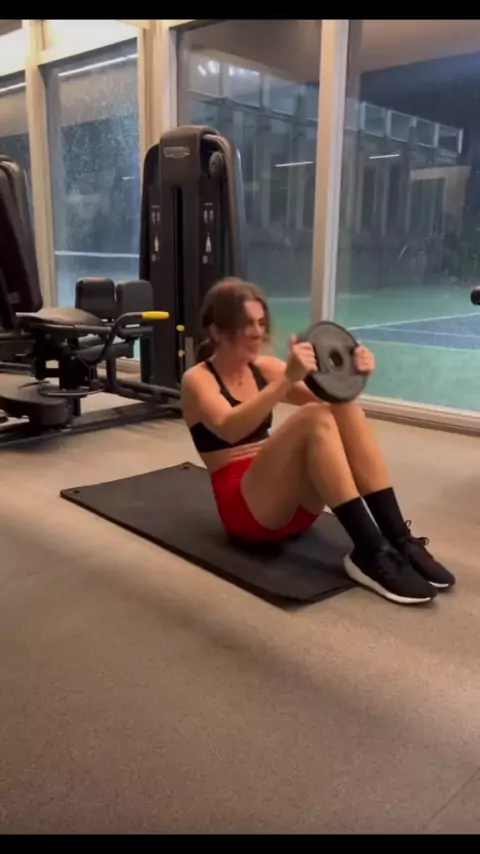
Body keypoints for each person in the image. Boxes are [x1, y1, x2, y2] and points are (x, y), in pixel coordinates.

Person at [181, 278, 455, 606]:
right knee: (313, 417)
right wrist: (287, 379)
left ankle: (399, 538)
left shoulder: (264, 368)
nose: (257, 332)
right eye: (246, 324)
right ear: (216, 330)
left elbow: (330, 399)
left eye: (261, 322)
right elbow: (229, 428)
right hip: (249, 514)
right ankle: (370, 551)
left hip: (295, 510)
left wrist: (356, 374)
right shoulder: (197, 380)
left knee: (342, 408)